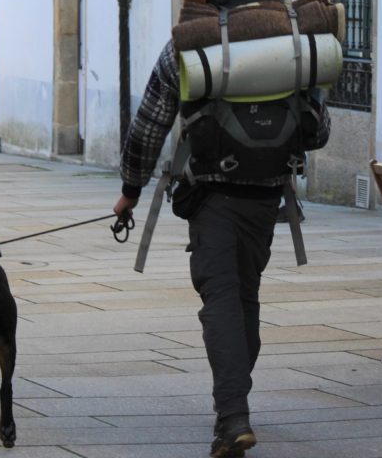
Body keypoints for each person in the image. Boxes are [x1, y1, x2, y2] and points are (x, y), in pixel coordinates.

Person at [114, 33, 330, 457]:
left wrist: (130, 189)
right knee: (244, 295)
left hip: (211, 193)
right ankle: (235, 401)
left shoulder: (190, 42)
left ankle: (233, 417)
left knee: (222, 300)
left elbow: (150, 121)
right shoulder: (289, 41)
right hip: (267, 195)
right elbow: (317, 131)